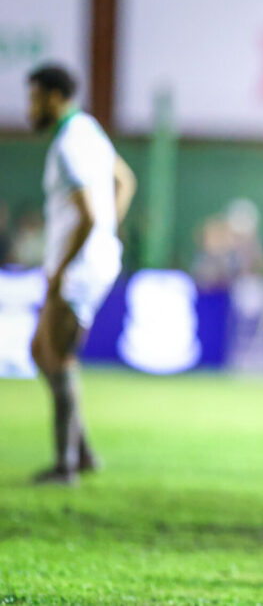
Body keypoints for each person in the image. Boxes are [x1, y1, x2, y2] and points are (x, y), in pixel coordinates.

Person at [27, 63, 136, 485]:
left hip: (76, 266)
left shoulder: (67, 145)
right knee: (42, 350)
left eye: (35, 98)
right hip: (94, 258)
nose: (31, 107)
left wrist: (64, 266)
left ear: (55, 97)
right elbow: (124, 182)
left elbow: (88, 216)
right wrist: (108, 232)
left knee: (58, 356)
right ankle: (83, 454)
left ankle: (66, 465)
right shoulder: (89, 130)